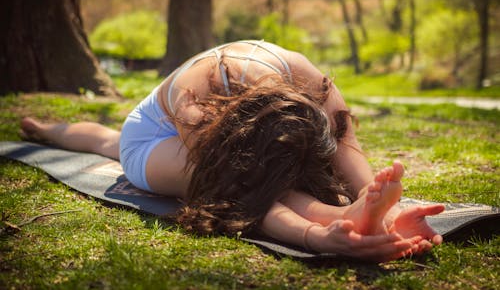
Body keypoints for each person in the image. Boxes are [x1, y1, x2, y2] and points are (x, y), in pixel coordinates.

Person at [20, 40, 445, 262]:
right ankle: (339, 218)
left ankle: (47, 129)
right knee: (118, 144)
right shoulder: (195, 103)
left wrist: (377, 202)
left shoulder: (305, 76)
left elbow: (344, 140)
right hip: (151, 138)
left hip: (236, 123)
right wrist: (319, 235)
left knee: (102, 141)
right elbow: (237, 190)